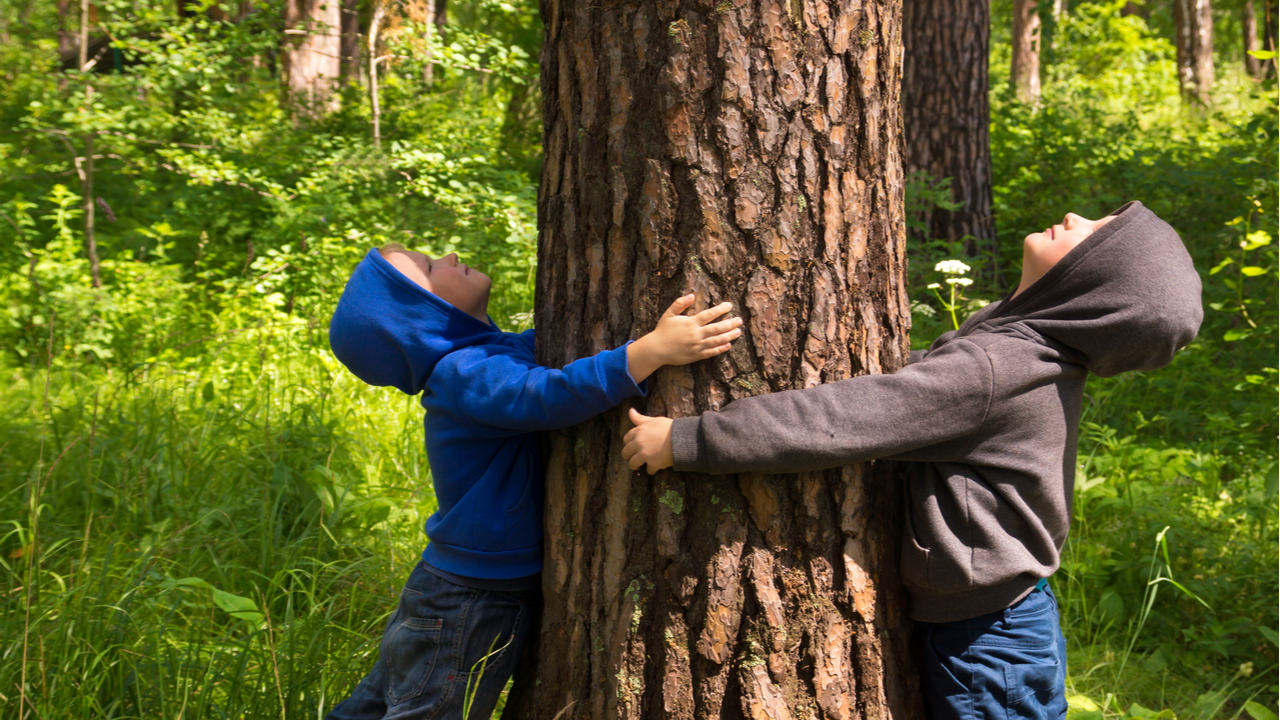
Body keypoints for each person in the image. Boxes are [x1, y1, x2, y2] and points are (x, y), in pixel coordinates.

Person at [620, 201, 1202, 720]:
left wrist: (690, 440)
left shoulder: (999, 368)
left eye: (1094, 234)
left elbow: (843, 418)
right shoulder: (1016, 350)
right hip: (996, 624)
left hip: (989, 639)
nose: (1076, 216)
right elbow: (914, 388)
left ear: (1090, 288)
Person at [326, 244, 743, 719]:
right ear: (422, 318)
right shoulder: (466, 375)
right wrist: (649, 352)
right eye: (427, 267)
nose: (448, 254)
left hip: (456, 587)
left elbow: (553, 367)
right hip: (471, 595)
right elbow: (547, 394)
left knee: (379, 704)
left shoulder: (483, 356)